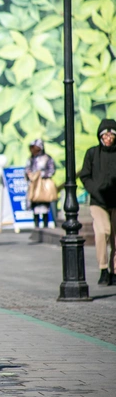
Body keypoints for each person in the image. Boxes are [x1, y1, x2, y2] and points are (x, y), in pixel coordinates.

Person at [79, 119, 116, 286]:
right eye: (105, 135)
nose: (108, 138)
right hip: (98, 201)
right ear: (100, 136)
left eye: (112, 135)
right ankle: (103, 268)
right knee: (102, 231)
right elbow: (85, 175)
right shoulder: (92, 153)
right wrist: (95, 190)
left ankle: (114, 271)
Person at [25, 139, 56, 228]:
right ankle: (36, 226)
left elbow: (52, 170)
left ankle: (46, 225)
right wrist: (30, 174)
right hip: (34, 186)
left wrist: (41, 174)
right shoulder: (31, 159)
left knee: (45, 207)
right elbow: (27, 169)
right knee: (35, 207)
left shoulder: (47, 158)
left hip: (44, 186)